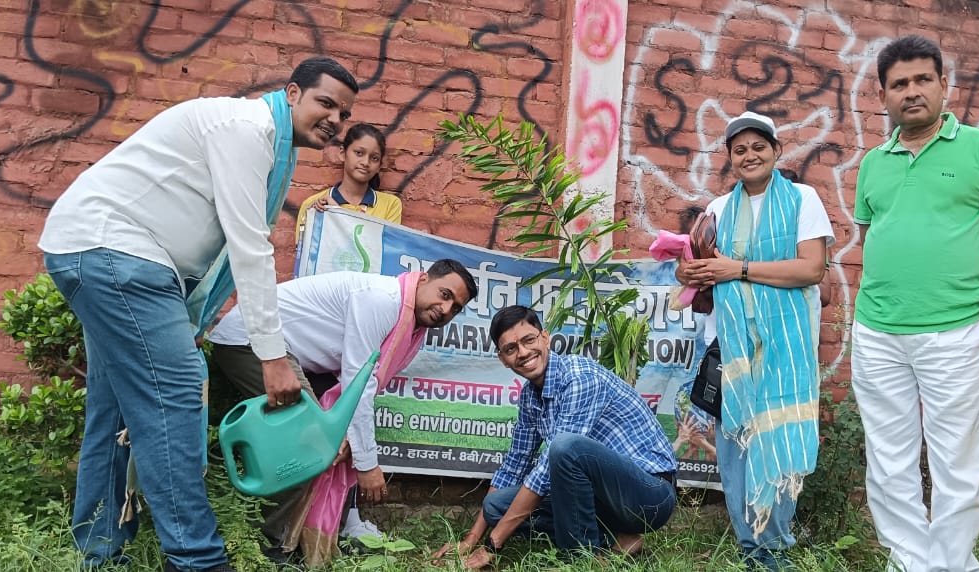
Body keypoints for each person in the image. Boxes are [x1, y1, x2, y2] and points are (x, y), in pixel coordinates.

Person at [37, 57, 358, 572]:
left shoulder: (264, 140)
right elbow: (248, 245)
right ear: (293, 92)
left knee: (114, 408)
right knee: (180, 391)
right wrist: (272, 355)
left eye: (343, 114)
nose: (335, 121)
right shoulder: (248, 130)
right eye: (326, 103)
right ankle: (198, 560)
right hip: (114, 249)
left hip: (105, 251)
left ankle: (98, 552)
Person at [850, 35, 979, 572]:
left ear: (944, 84)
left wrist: (967, 292)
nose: (912, 91)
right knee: (889, 458)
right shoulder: (873, 163)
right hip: (877, 330)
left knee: (957, 461)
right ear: (883, 96)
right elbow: (872, 233)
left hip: (953, 331)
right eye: (899, 84)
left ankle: (951, 563)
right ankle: (909, 562)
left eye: (923, 79)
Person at [207, 258, 477, 565]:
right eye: (445, 295)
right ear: (424, 279)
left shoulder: (410, 325)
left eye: (456, 307)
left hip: (292, 353)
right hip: (250, 341)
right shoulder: (383, 299)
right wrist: (367, 465)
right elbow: (357, 383)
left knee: (341, 436)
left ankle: (333, 528)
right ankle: (266, 549)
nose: (446, 310)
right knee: (310, 445)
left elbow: (356, 388)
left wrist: (350, 438)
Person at [676, 111, 834, 570]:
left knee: (778, 437)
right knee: (735, 447)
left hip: (786, 347)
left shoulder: (803, 199)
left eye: (758, 146)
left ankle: (776, 547)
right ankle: (751, 548)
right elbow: (697, 274)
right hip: (733, 348)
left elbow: (810, 269)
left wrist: (737, 269)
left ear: (775, 150)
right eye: (739, 149)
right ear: (731, 158)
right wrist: (690, 272)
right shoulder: (719, 211)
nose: (749, 155)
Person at [434, 305, 678, 569]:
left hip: (649, 496)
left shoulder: (579, 378)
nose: (524, 353)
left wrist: (492, 544)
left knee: (564, 448)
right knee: (495, 506)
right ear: (503, 358)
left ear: (545, 337)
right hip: (603, 501)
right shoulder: (529, 396)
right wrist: (471, 539)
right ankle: (618, 539)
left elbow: (547, 469)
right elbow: (514, 466)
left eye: (529, 340)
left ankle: (581, 558)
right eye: (511, 349)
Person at [296, 123, 403, 239]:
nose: (366, 162)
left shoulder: (390, 205)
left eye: (374, 158)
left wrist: (337, 212)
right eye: (359, 153)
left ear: (379, 166)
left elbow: (384, 252)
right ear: (342, 153)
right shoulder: (315, 205)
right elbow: (306, 252)